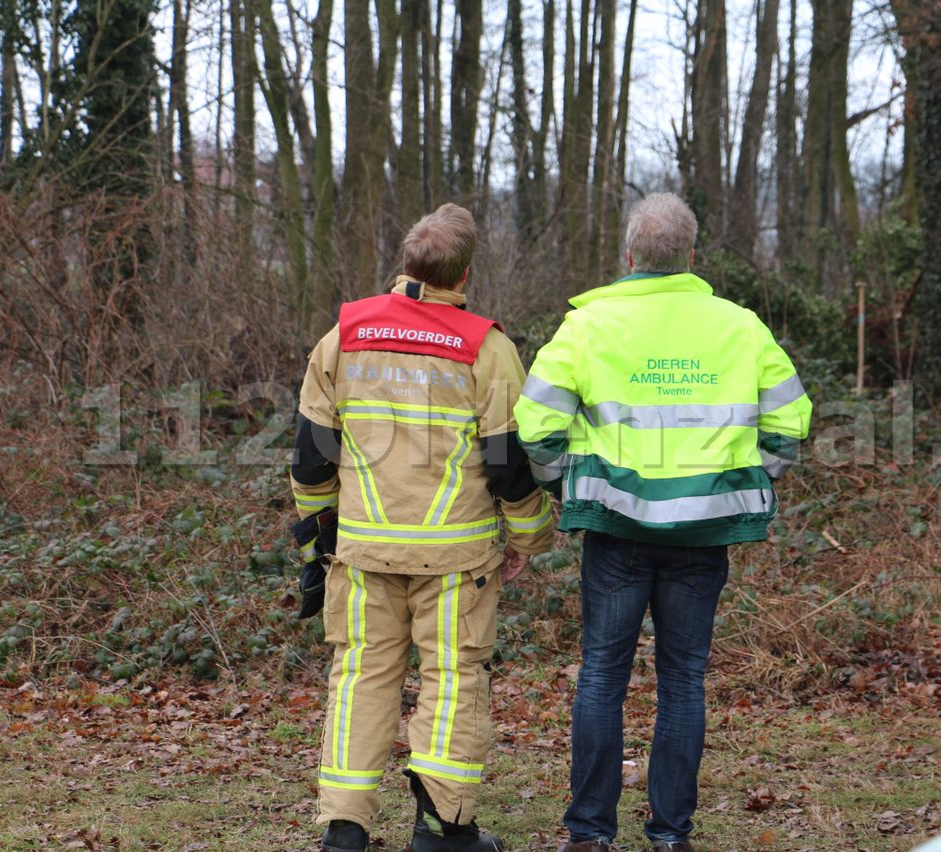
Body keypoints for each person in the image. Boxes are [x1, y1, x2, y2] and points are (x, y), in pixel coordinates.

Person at [513, 193, 812, 852]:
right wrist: (746, 478)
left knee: (600, 676)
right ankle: (670, 835)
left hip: (616, 531)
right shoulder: (739, 326)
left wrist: (568, 483)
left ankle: (589, 833)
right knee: (682, 679)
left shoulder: (589, 326)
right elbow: (792, 424)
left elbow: (534, 426)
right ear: (691, 257)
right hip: (703, 534)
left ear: (628, 256)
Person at [291, 203, 554, 852]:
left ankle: (345, 830)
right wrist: (531, 535)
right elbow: (508, 463)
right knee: (454, 683)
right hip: (456, 563)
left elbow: (310, 456)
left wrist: (319, 538)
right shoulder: (486, 349)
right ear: (463, 274)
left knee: (360, 680)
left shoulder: (342, 337)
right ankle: (442, 831)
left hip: (362, 553)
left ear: (405, 265)